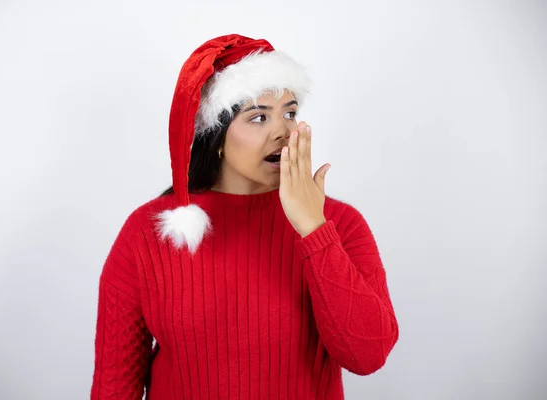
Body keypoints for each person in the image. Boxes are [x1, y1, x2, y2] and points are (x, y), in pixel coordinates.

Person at [90, 34, 399, 400]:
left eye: (290, 112)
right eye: (258, 117)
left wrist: (314, 230)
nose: (284, 132)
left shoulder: (339, 224)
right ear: (217, 137)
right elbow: (113, 388)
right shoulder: (150, 230)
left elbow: (369, 356)